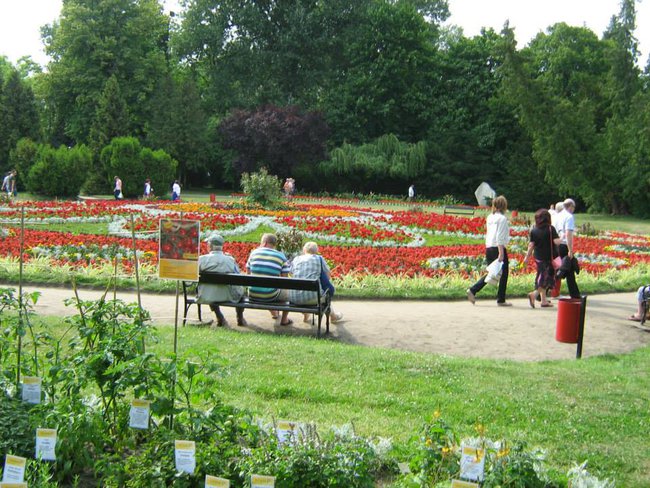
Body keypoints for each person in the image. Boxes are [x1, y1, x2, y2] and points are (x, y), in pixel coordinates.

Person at [467, 195, 511, 306]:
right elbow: (500, 236)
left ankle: (473, 290)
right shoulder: (502, 219)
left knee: (492, 272)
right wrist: (501, 253)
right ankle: (500, 299)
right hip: (498, 247)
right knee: (503, 273)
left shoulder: (490, 217)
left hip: (489, 246)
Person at [197, 234, 247, 327]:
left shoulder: (201, 260)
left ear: (210, 246)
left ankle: (219, 317)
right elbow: (238, 276)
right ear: (221, 246)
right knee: (241, 293)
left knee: (211, 289)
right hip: (228, 296)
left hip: (207, 296)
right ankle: (240, 317)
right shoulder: (230, 260)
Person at [289, 241, 343, 324]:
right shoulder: (319, 258)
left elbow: (291, 273)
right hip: (313, 298)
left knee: (306, 292)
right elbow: (328, 275)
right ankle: (333, 316)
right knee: (325, 294)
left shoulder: (296, 259)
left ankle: (306, 314)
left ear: (304, 250)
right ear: (316, 251)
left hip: (294, 298)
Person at [246, 233, 292, 325]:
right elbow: (285, 280)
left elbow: (248, 273)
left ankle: (274, 313)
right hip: (271, 295)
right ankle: (284, 319)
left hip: (252, 293)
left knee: (264, 287)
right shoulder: (281, 256)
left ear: (265, 243)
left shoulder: (254, 253)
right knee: (288, 293)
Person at [522, 209, 561, 308]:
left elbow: (531, 245)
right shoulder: (550, 229)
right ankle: (534, 294)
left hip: (538, 258)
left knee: (542, 277)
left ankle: (543, 300)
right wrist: (562, 237)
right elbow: (556, 242)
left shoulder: (534, 230)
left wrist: (527, 257)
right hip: (548, 258)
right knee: (547, 279)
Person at [554, 198, 581, 299]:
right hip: (564, 245)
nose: (574, 209)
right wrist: (570, 249)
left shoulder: (557, 215)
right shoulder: (569, 217)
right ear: (570, 206)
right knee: (565, 269)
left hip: (557, 245)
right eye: (573, 207)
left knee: (564, 269)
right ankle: (575, 295)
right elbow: (568, 233)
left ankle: (575, 294)